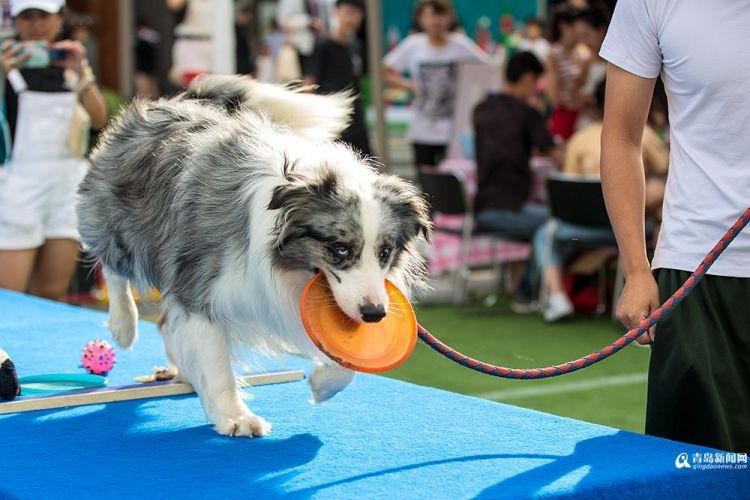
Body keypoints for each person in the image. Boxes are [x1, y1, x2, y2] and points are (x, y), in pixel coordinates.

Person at [600, 0, 749, 452]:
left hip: (700, 263)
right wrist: (637, 269)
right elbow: (621, 137)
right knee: (694, 467)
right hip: (697, 267)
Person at [535, 79, 668, 322]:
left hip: (580, 227)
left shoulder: (579, 138)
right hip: (629, 231)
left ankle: (556, 298)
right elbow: (666, 169)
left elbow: (568, 183)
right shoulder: (644, 135)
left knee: (545, 234)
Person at [0, 0, 107, 301]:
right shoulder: (5, 62)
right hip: (18, 182)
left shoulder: (71, 67)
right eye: (27, 17)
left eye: (43, 16)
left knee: (53, 292)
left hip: (66, 182)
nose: (35, 24)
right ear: (16, 22)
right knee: (9, 295)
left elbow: (99, 120)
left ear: (59, 19)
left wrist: (82, 73)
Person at [473, 51, 557, 310]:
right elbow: (551, 149)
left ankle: (528, 288)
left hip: (482, 206)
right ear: (529, 78)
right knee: (553, 225)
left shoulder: (481, 109)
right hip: (510, 207)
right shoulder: (526, 113)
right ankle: (528, 291)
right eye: (536, 83)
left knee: (544, 223)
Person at [384, 0, 485, 167]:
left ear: (449, 17)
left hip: (453, 132)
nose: (435, 21)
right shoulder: (413, 44)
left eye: (440, 15)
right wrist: (408, 85)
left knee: (450, 184)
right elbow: (383, 70)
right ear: (421, 19)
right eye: (430, 16)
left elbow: (487, 67)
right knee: (426, 184)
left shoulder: (460, 44)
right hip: (422, 130)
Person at [306, 0, 370, 156]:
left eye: (357, 14)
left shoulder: (356, 46)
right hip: (331, 118)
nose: (352, 19)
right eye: (348, 13)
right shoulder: (323, 45)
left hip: (355, 118)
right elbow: (309, 83)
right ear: (336, 14)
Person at [546, 6, 586, 142]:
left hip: (582, 114)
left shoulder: (582, 53)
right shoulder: (554, 54)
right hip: (563, 115)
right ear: (564, 26)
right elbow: (553, 95)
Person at [277, 0, 332, 77]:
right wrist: (309, 21)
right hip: (301, 47)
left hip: (322, 45)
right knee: (305, 79)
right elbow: (284, 20)